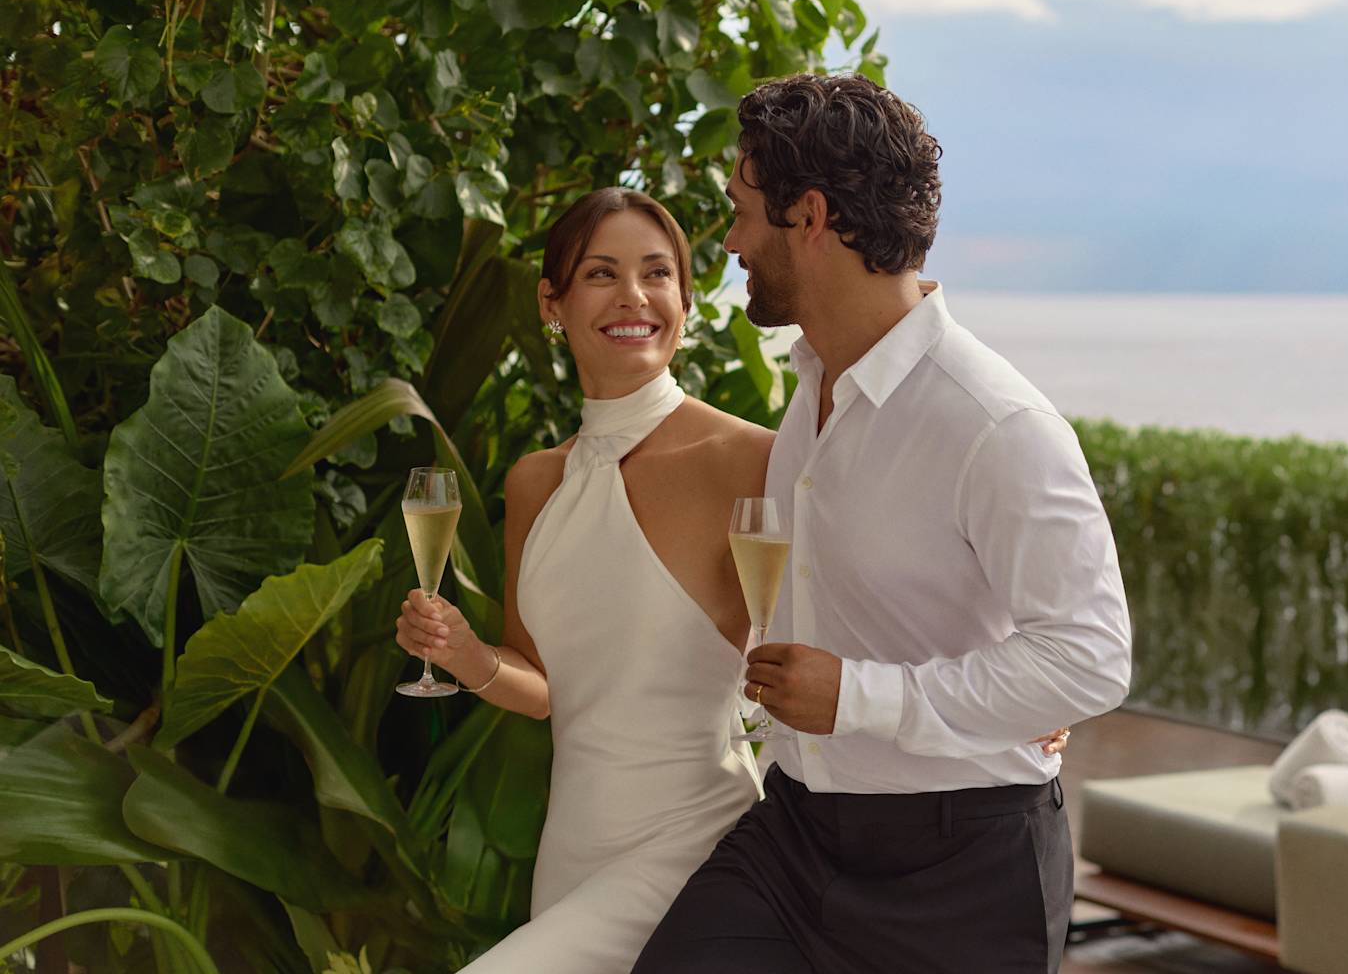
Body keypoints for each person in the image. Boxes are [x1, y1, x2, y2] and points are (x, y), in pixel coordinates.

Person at [393, 187, 1072, 971]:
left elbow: (898, 575)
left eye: (657, 273)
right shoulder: (535, 481)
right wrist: (468, 656)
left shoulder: (752, 458)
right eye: (602, 273)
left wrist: (1027, 697)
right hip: (574, 848)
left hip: (696, 845)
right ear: (553, 302)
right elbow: (545, 684)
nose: (633, 296)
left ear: (685, 303)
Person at [631, 74, 1134, 974]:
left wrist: (863, 697)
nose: (732, 242)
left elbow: (1091, 657)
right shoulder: (814, 385)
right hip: (795, 836)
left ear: (811, 217)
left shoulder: (997, 424)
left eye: (742, 212)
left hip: (964, 875)